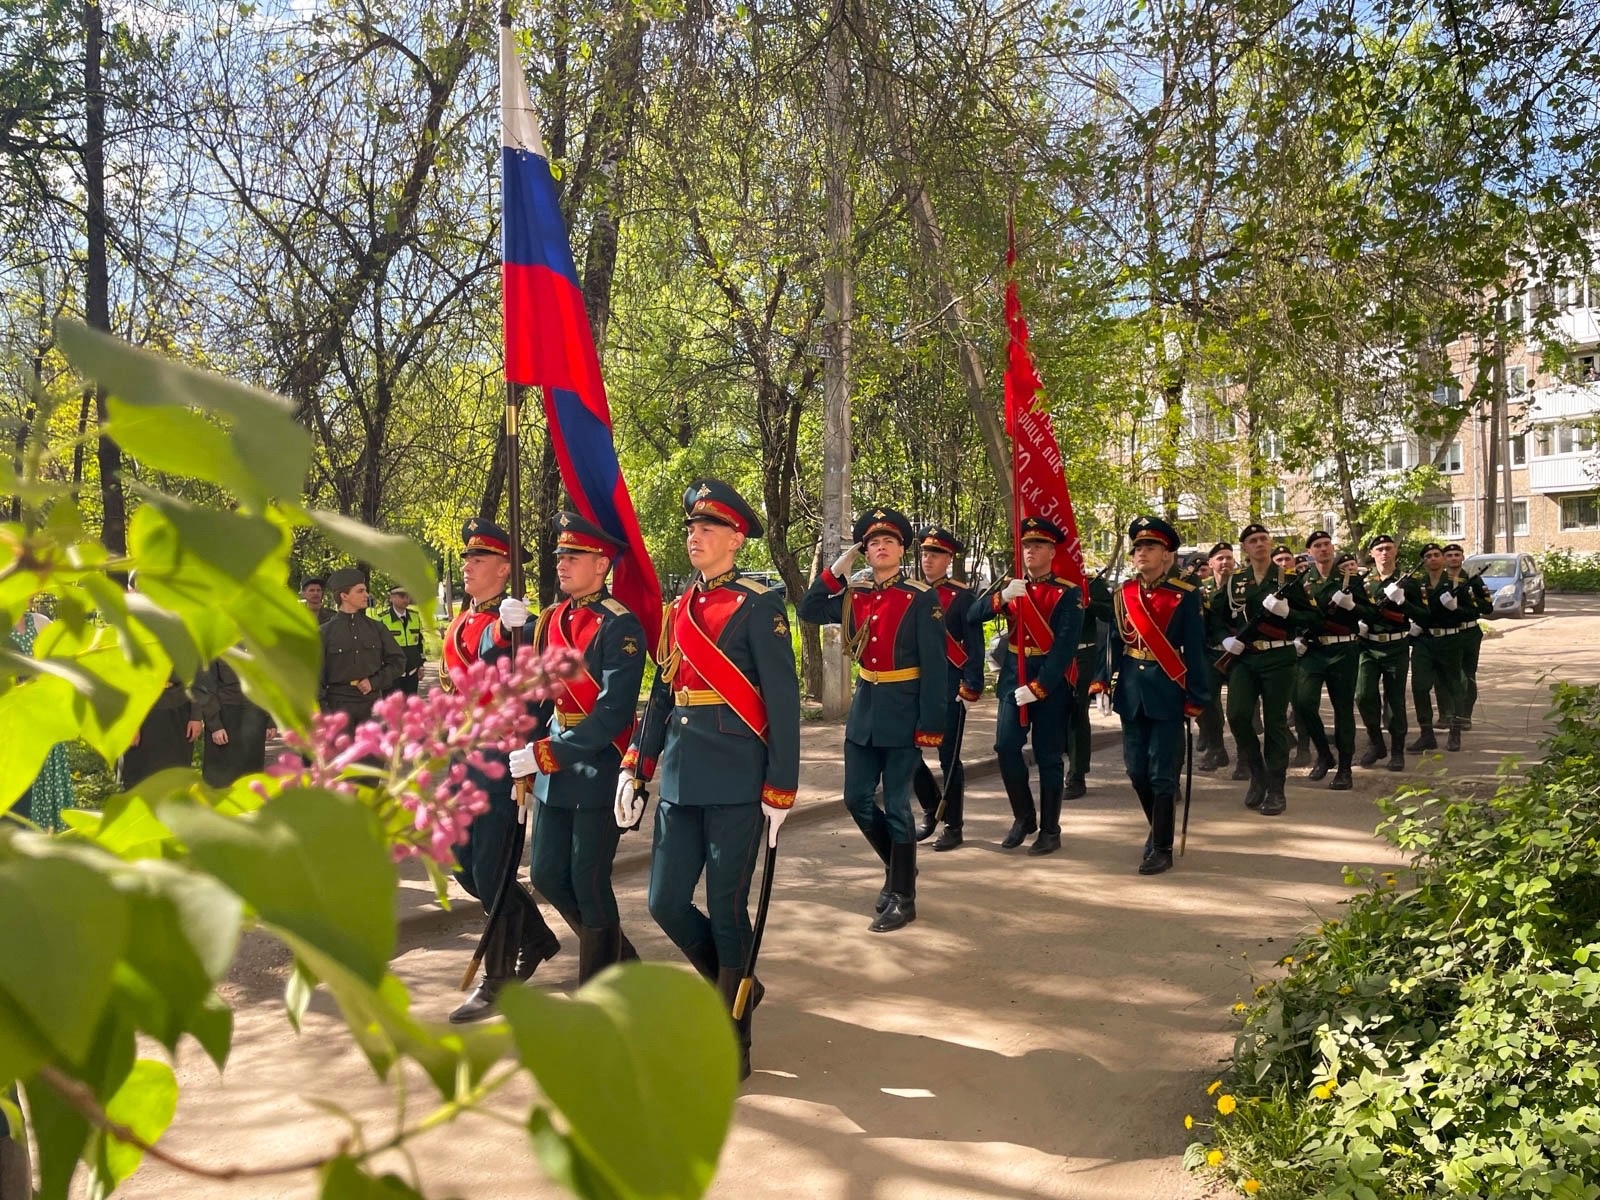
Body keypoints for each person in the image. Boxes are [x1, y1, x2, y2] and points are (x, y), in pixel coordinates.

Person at [623, 479, 800, 1079]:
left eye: (707, 528)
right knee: (665, 903)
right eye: (691, 528)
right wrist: (638, 768)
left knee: (726, 908)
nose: (694, 536)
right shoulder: (677, 612)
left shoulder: (759, 606)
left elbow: (782, 700)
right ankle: (739, 981)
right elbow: (661, 695)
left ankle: (734, 1031)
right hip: (679, 777)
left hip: (736, 779)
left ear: (735, 537)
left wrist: (782, 786)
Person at [507, 512, 647, 985]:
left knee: (589, 881)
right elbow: (535, 691)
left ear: (601, 563)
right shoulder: (550, 619)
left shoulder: (620, 626)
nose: (562, 564)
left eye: (573, 556)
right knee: (546, 873)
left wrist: (547, 753)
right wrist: (511, 629)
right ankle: (619, 957)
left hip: (598, 762)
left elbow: (612, 713)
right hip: (553, 765)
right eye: (560, 556)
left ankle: (603, 986)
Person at [799, 506, 945, 929]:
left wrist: (931, 725)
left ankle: (904, 895)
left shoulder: (919, 596)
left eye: (889, 542)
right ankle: (899, 867)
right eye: (872, 543)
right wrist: (838, 568)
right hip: (866, 709)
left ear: (902, 549)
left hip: (903, 710)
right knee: (856, 799)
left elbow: (936, 667)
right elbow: (808, 609)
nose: (880, 548)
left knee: (897, 806)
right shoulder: (856, 592)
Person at [443, 518, 563, 1023]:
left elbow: (539, 697)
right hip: (460, 756)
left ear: (504, 568)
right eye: (467, 558)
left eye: (478, 559)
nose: (468, 567)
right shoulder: (460, 621)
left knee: (493, 867)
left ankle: (499, 979)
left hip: (498, 756)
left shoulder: (520, 625)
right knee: (463, 865)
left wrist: (525, 753)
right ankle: (534, 936)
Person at [1092, 517, 1209, 875]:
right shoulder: (1123, 594)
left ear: (1167, 554)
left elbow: (1197, 650)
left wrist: (1197, 696)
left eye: (1150, 547)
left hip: (1168, 689)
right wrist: (1101, 683)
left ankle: (1161, 846)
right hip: (1131, 689)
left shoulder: (1185, 595)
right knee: (1135, 771)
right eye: (1138, 548)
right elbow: (1113, 643)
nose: (1142, 553)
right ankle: (1156, 829)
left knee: (1161, 774)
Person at [986, 516, 1084, 855]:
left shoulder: (1067, 594)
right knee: (1006, 747)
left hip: (1049, 683)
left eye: (1038, 545)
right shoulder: (1014, 588)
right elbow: (972, 616)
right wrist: (1000, 597)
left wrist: (1040, 686)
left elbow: (1064, 649)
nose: (1030, 550)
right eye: (1026, 545)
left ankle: (1050, 829)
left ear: (1051, 551)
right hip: (1013, 677)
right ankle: (1023, 816)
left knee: (1048, 757)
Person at [1210, 523, 1313, 816]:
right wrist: (1225, 639)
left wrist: (1288, 613)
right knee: (1238, 715)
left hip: (1278, 658)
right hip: (1244, 658)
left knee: (1276, 723)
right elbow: (1214, 618)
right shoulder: (1234, 581)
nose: (1260, 544)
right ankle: (1257, 773)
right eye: (1253, 540)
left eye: (1264, 539)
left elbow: (1312, 618)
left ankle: (1277, 789)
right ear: (1245, 547)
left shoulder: (1287, 579)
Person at [908, 525, 984, 852]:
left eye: (935, 554)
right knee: (906, 751)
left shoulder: (962, 596)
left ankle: (953, 825)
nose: (928, 559)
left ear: (948, 558)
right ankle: (931, 806)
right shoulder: (911, 592)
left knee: (947, 757)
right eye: (924, 553)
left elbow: (975, 646)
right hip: (914, 684)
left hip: (949, 686)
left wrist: (971, 685)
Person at [1291, 532, 1369, 790]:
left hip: (1343, 650)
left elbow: (1371, 612)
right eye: (1317, 546)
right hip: (1313, 651)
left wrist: (1352, 607)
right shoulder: (1303, 581)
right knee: (1303, 704)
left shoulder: (1350, 579)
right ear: (1310, 552)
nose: (1323, 549)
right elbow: (1296, 614)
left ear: (1332, 548)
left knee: (1343, 709)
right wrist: (1297, 637)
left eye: (1326, 545)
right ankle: (1324, 753)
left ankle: (1345, 768)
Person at [120, 575, 204, 789]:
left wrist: (196, 715)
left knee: (175, 779)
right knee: (140, 780)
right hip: (143, 715)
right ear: (133, 592)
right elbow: (121, 680)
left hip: (178, 710)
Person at [1356, 534, 1426, 771]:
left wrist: (1403, 602)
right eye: (1379, 549)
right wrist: (1358, 624)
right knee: (1363, 695)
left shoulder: (1410, 582)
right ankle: (1376, 743)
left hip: (1396, 646)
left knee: (1395, 700)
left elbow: (1424, 615)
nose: (1384, 553)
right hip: (1368, 646)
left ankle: (1397, 751)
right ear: (1372, 554)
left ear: (1395, 551)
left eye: (1388, 548)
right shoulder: (1364, 583)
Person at [9, 605, 74, 829]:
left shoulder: (41, 624)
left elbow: (59, 669)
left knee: (44, 781)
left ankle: (44, 842)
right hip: (12, 724)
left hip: (43, 720)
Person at [318, 568, 404, 726]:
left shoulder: (376, 629)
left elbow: (398, 662)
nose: (366, 595)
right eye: (360, 591)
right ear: (344, 596)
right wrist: (325, 714)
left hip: (370, 708)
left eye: (365, 590)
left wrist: (374, 682)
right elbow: (316, 679)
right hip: (338, 708)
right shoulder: (324, 633)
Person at [1409, 542, 1468, 752]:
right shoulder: (1417, 584)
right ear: (1423, 562)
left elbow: (1473, 612)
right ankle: (1426, 734)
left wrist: (1456, 608)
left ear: (1442, 559)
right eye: (1428, 556)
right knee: (1419, 686)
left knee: (1453, 686)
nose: (1432, 558)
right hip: (1424, 641)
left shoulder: (1457, 583)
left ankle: (1455, 731)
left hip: (1449, 640)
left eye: (1436, 555)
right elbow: (1412, 609)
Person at [1064, 569, 1115, 800]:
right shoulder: (1035, 580)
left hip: (1081, 655)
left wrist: (1089, 602)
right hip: (1047, 655)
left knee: (1076, 712)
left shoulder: (1089, 581)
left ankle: (1076, 774)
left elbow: (1110, 612)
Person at [193, 656, 273, 786]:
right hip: (225, 719)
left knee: (251, 776)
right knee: (221, 779)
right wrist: (215, 725)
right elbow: (204, 688)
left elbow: (271, 683)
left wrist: (271, 722)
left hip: (256, 717)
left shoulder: (259, 643)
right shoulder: (218, 645)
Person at [1443, 543, 1494, 728]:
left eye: (1457, 554)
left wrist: (1465, 607)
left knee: (1467, 675)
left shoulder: (1474, 580)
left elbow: (1488, 608)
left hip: (1469, 632)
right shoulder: (1439, 580)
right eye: (1449, 555)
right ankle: (1447, 714)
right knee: (1447, 674)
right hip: (1448, 633)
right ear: (1444, 559)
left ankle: (1465, 715)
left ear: (1462, 557)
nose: (1453, 558)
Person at [1196, 542, 1235, 773]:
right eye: (1220, 558)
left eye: (1229, 558)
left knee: (1241, 708)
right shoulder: (1202, 590)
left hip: (1239, 653)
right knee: (1206, 702)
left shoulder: (1242, 585)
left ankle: (1246, 757)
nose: (1225, 562)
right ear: (1210, 564)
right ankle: (1216, 748)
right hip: (1212, 652)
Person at [377, 586, 425, 696]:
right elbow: (377, 648)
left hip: (412, 672)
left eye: (408, 596)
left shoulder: (415, 617)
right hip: (391, 674)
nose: (406, 600)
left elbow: (420, 643)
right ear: (391, 598)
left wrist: (421, 665)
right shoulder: (382, 619)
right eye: (402, 596)